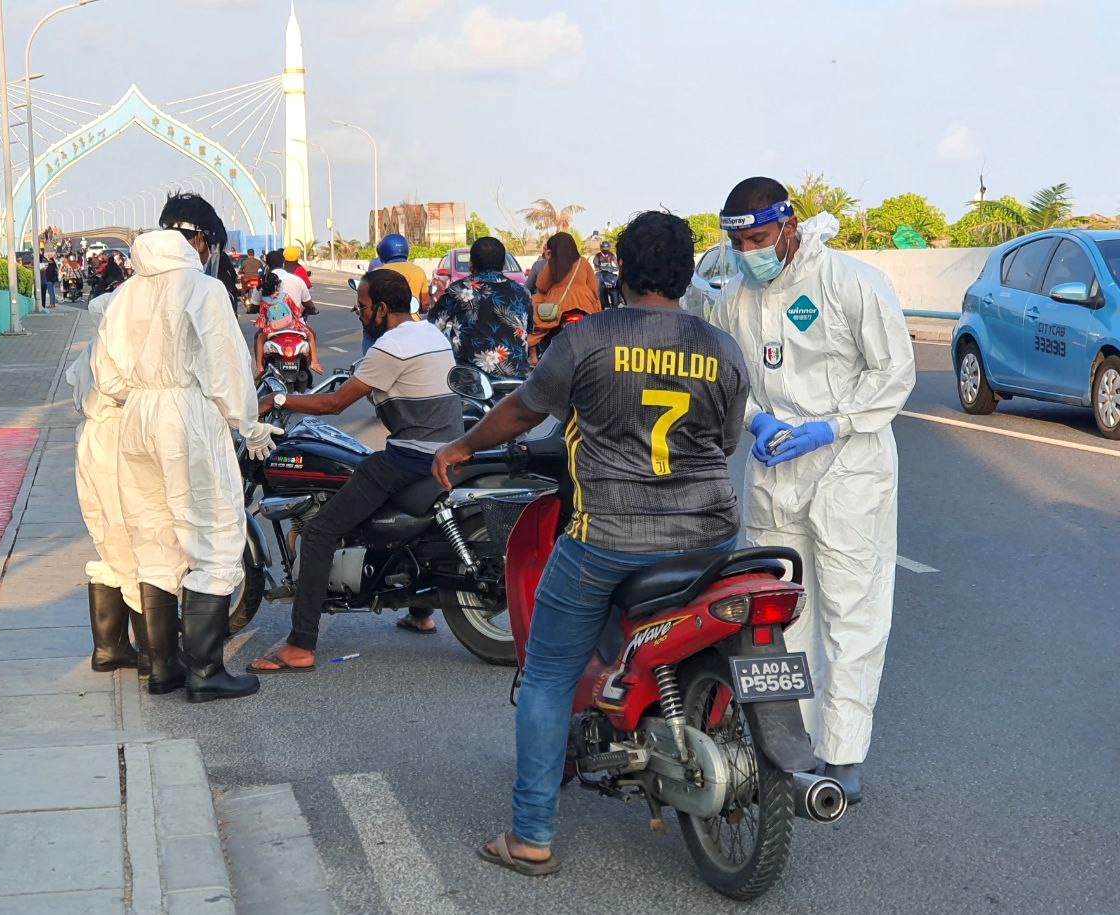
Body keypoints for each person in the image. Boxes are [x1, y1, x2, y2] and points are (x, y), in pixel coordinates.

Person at [432, 210, 749, 875]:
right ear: (688, 273)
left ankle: (532, 835)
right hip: (710, 539)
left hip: (608, 537)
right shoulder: (723, 349)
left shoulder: (589, 340)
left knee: (546, 673)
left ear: (621, 272)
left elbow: (524, 409)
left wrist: (464, 445)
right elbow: (725, 443)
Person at [710, 176, 916, 803]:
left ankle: (843, 756)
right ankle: (784, 748)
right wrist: (756, 420)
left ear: (790, 226)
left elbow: (895, 371)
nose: (752, 253)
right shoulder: (735, 297)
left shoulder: (851, 283)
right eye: (741, 242)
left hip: (850, 466)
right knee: (778, 613)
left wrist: (834, 424)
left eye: (762, 239)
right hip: (775, 467)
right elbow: (730, 377)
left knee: (852, 614)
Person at [92, 193, 281, 704]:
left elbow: (104, 373)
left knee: (153, 539)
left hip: (134, 416)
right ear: (200, 241)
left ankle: (163, 668)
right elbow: (226, 366)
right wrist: (248, 424)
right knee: (215, 535)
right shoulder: (202, 289)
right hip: (187, 415)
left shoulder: (125, 292)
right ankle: (206, 671)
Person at [246, 269, 462, 674]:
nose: (359, 314)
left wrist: (277, 397)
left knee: (318, 532)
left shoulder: (392, 346)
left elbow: (334, 405)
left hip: (411, 456)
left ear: (382, 308)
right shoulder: (430, 333)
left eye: (362, 307)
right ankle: (421, 612)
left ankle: (300, 644)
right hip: (444, 451)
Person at [65, 292, 142, 675]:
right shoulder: (118, 352)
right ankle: (152, 651)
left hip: (92, 443)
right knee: (136, 540)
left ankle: (110, 648)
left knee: (109, 540)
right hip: (115, 444)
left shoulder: (92, 349)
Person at [427, 235, 532, 378]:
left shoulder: (457, 290)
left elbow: (432, 327)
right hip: (517, 377)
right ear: (504, 265)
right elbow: (529, 329)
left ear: (471, 263)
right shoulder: (523, 292)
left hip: (472, 381)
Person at [529, 231, 600, 360]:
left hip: (557, 306)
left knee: (534, 314)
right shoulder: (583, 262)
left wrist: (549, 260)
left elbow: (541, 286)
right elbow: (594, 287)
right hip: (584, 305)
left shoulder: (553, 263)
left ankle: (533, 353)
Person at [254, 268, 323, 377]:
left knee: (259, 339)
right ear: (277, 286)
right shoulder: (285, 297)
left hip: (273, 329)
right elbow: (296, 312)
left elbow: (263, 320)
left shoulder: (264, 302)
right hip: (292, 326)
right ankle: (314, 362)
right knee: (310, 335)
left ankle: (259, 367)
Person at [373, 233, 430, 313]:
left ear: (383, 252)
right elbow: (425, 304)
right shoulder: (419, 271)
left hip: (387, 322)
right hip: (413, 320)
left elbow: (370, 302)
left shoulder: (377, 273)